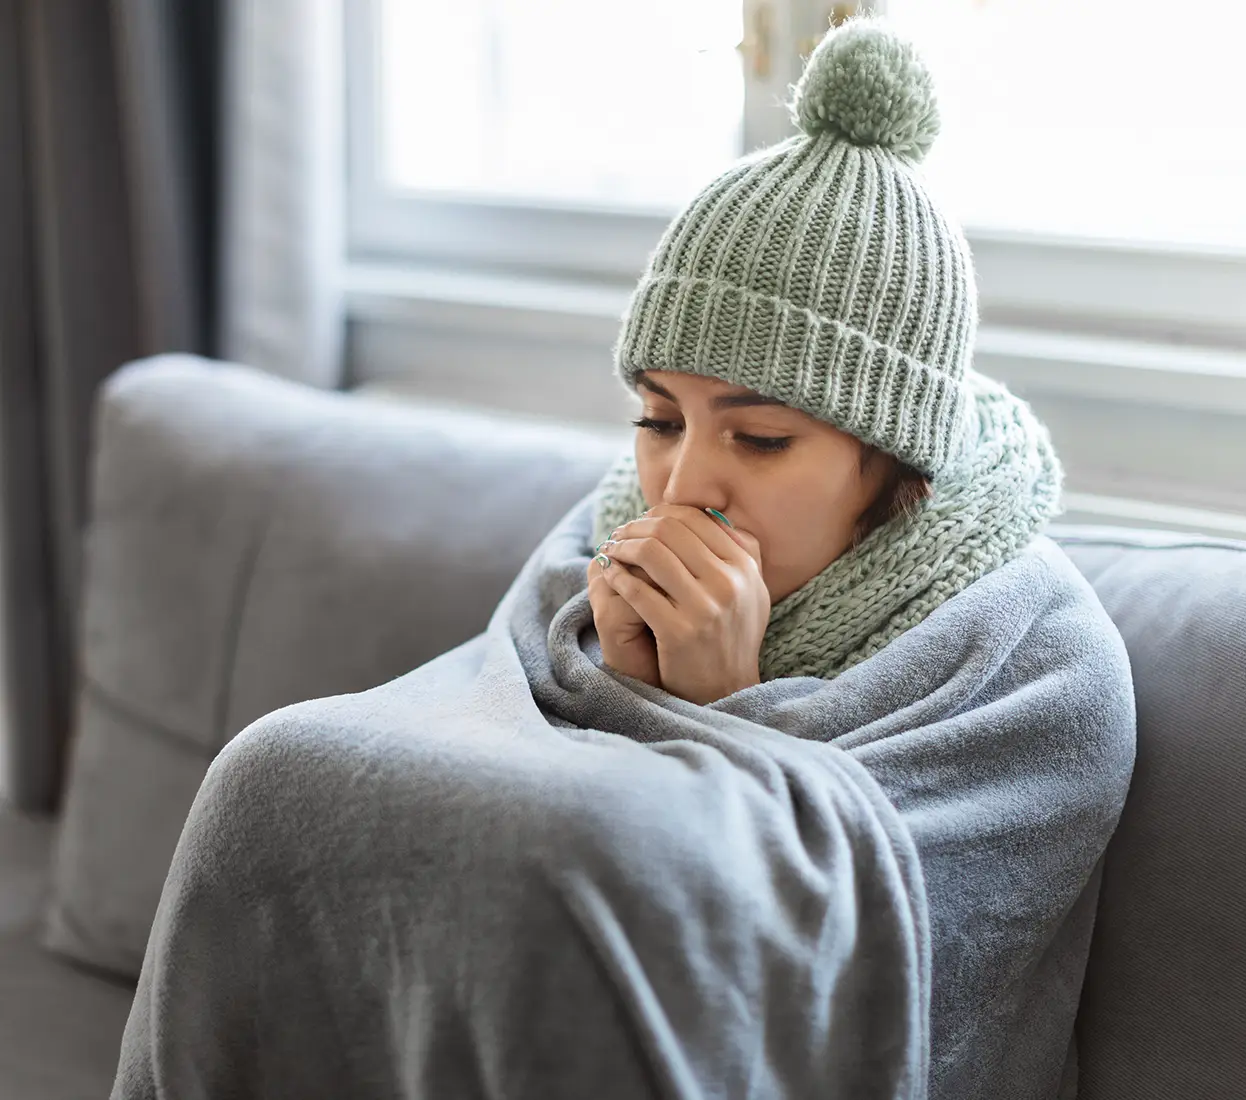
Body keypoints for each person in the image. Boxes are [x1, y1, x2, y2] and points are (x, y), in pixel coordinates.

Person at [112, 16, 1136, 1100]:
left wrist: (718, 707)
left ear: (892, 460)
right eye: (657, 417)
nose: (683, 483)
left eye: (762, 435)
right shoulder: (595, 535)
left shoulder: (1035, 659)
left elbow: (872, 971)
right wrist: (644, 704)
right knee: (270, 770)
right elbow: (454, 757)